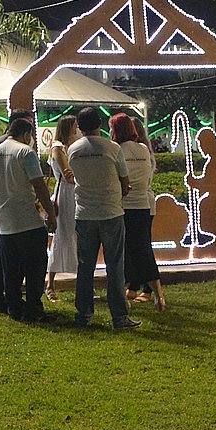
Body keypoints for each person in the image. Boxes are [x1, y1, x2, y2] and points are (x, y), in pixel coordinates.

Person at [67, 107, 138, 330]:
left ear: (78, 126)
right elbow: (125, 181)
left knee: (85, 266)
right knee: (115, 266)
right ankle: (119, 317)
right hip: (111, 212)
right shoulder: (113, 148)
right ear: (100, 124)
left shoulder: (73, 149)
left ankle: (83, 314)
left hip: (85, 214)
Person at [0, 116, 56, 321]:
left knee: (11, 270)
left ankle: (13, 308)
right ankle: (33, 308)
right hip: (29, 221)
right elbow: (39, 185)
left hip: (5, 223)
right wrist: (50, 213)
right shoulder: (25, 152)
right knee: (35, 268)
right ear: (26, 134)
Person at [110, 112, 164, 310]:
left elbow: (117, 179)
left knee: (123, 252)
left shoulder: (117, 150)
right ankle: (158, 295)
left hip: (123, 207)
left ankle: (128, 292)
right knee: (143, 250)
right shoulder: (143, 150)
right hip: (143, 205)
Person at [44, 115, 80, 301]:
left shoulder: (73, 146)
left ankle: (82, 283)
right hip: (66, 196)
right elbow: (68, 176)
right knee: (63, 236)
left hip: (75, 195)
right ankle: (50, 283)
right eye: (75, 126)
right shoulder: (58, 147)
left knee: (77, 237)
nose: (78, 129)